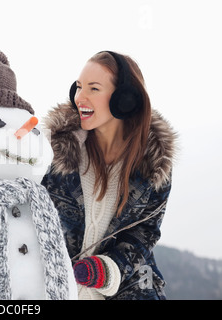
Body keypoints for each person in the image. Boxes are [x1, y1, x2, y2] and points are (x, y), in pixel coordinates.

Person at [41, 51, 177, 300]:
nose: (80, 97)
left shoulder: (154, 166)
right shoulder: (52, 152)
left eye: (94, 89)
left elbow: (145, 231)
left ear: (125, 100)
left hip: (126, 287)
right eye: (79, 87)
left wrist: (108, 270)